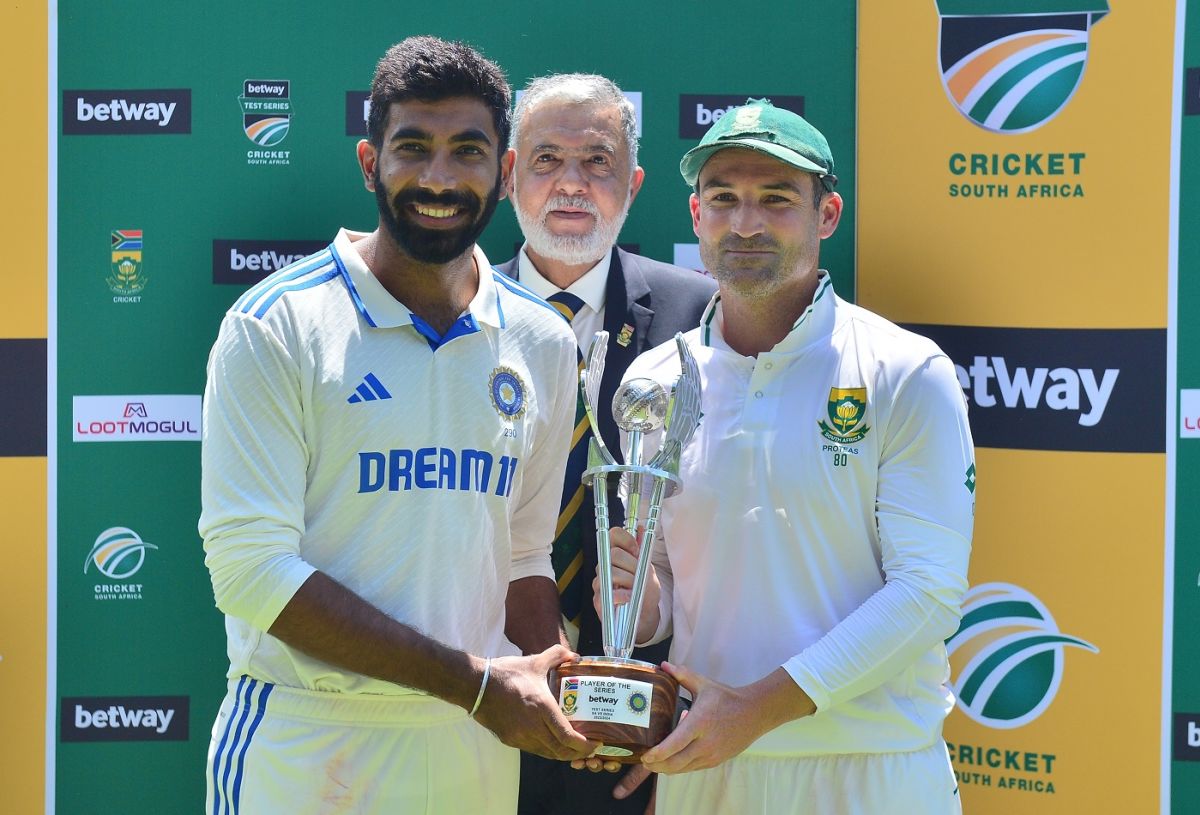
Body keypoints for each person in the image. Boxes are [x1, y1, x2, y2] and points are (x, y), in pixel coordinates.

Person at [199, 36, 597, 815]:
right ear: (368, 162)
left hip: (470, 747)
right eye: (412, 147)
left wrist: (551, 675)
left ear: (505, 173)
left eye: (468, 151)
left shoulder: (543, 341)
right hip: (308, 744)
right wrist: (476, 683)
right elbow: (249, 570)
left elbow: (521, 552)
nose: (439, 178)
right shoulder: (277, 324)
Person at [603, 99, 976, 814]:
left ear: (826, 215)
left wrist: (758, 708)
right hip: (707, 766)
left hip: (869, 768)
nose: (745, 222)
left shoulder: (903, 369)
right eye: (725, 199)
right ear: (696, 217)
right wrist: (634, 605)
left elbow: (927, 592)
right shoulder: (653, 381)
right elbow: (663, 588)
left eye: (776, 199)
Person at [495, 74, 715, 815]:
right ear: (510, 173)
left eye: (597, 161)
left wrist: (679, 725)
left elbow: (728, 520)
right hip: (483, 721)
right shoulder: (455, 315)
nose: (571, 183)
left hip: (650, 736)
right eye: (547, 158)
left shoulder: (699, 313)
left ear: (634, 182)